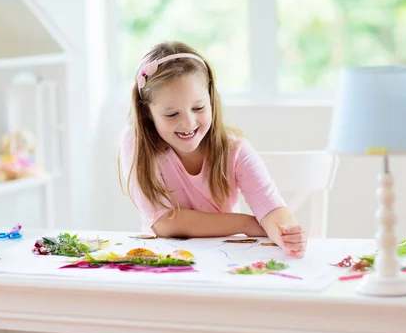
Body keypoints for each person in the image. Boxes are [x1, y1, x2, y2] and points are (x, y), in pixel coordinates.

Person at [118, 41, 307, 258]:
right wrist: (246, 223)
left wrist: (286, 234)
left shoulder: (233, 148)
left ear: (211, 100)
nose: (188, 123)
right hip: (164, 263)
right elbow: (164, 223)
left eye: (198, 108)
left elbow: (270, 207)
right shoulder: (136, 143)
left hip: (225, 260)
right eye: (172, 114)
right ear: (147, 114)